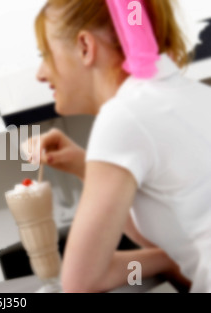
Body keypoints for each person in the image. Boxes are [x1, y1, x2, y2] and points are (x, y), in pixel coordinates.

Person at [26, 0, 211, 292]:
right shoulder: (192, 95)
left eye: (45, 54)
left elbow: (80, 282)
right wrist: (84, 167)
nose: (40, 73)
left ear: (85, 47)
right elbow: (178, 237)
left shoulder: (123, 116)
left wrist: (164, 261)